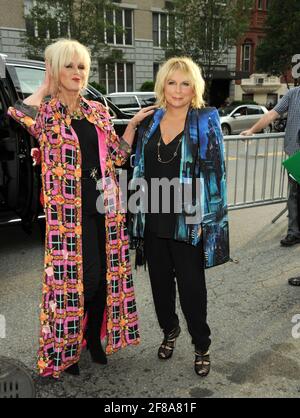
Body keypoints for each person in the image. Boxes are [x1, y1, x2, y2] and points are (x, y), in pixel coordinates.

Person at [7, 39, 154, 378]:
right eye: (68, 65)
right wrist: (44, 86)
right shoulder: (46, 113)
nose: (76, 72)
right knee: (78, 280)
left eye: (81, 66)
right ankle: (68, 348)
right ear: (55, 69)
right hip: (67, 214)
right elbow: (16, 112)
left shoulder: (97, 111)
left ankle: (92, 338)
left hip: (106, 206)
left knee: (105, 276)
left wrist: (130, 128)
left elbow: (116, 157)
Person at [130, 57, 229, 377]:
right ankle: (169, 331)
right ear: (162, 85)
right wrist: (131, 126)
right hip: (153, 213)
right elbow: (129, 164)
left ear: (194, 88)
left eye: (185, 83)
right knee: (160, 286)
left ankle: (202, 344)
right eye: (172, 82)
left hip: (188, 216)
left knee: (191, 289)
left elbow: (217, 173)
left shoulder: (206, 120)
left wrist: (208, 221)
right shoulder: (149, 121)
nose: (177, 89)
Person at [241, 87, 300, 286]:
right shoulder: (294, 94)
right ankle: (294, 232)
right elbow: (273, 114)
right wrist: (252, 130)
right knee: (293, 195)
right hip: (296, 157)